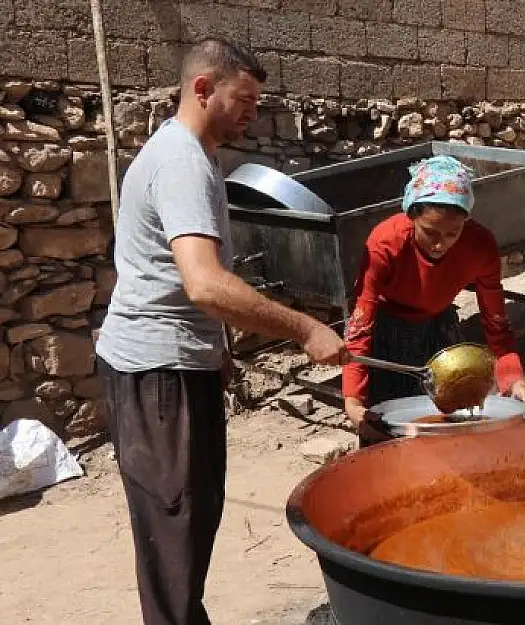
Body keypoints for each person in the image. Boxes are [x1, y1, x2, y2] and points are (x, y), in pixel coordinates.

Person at [94, 37, 348, 625]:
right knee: (174, 533)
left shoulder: (194, 156)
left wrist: (217, 348)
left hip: (180, 363)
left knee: (190, 521)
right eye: (245, 99)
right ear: (203, 88)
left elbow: (173, 275)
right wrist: (304, 327)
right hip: (158, 371)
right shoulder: (181, 161)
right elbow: (205, 284)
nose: (253, 114)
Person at [342, 155, 525, 446]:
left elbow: (496, 323)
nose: (440, 244)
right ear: (411, 215)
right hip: (385, 335)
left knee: (452, 429)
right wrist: (353, 403)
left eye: (452, 233)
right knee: (387, 437)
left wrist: (512, 377)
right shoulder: (385, 243)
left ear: (466, 222)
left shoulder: (480, 246)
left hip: (438, 330)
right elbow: (361, 327)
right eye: (429, 232)